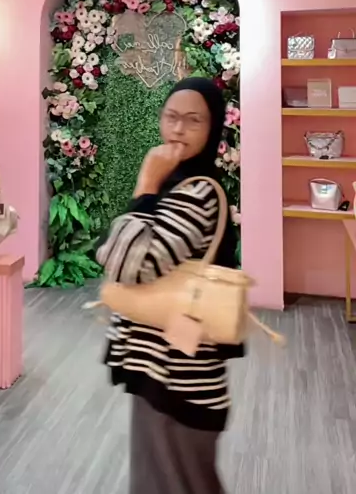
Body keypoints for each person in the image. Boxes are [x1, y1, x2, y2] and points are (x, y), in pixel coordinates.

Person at [97, 77, 244, 494]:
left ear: (213, 128)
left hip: (177, 379)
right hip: (165, 370)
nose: (178, 129)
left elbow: (127, 263)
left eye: (194, 120)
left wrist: (145, 184)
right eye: (171, 117)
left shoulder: (195, 192)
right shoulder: (180, 184)